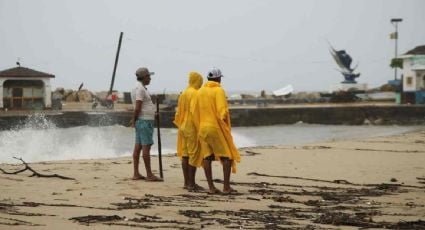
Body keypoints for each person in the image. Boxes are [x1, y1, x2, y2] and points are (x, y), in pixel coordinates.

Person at [192, 67, 241, 194]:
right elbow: (222, 112)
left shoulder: (200, 91)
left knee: (207, 157)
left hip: (203, 128)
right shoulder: (219, 90)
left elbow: (194, 110)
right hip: (215, 127)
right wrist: (225, 127)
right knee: (227, 157)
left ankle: (211, 187)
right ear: (218, 78)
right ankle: (226, 187)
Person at [173, 71, 204, 191]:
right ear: (197, 81)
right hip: (192, 127)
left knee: (185, 155)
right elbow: (194, 111)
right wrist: (199, 127)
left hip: (183, 126)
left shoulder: (184, 92)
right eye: (200, 81)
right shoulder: (195, 93)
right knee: (193, 154)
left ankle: (186, 183)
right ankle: (192, 183)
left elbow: (178, 112)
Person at [130, 67, 162, 182]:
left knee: (138, 146)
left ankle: (136, 173)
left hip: (143, 120)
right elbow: (138, 106)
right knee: (145, 147)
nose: (150, 78)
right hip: (144, 121)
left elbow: (141, 106)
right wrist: (134, 119)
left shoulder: (139, 88)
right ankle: (149, 174)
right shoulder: (140, 89)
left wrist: (153, 112)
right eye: (148, 76)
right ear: (143, 77)